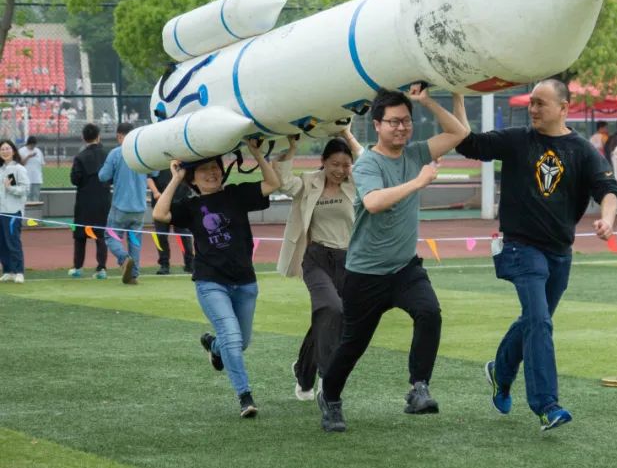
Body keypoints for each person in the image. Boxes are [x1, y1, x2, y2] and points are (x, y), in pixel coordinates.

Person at [455, 78, 617, 431]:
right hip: (520, 248)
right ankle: (547, 406)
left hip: (560, 252)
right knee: (540, 321)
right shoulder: (517, 140)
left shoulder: (582, 150)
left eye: (540, 103)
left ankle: (500, 371)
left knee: (534, 320)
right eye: (531, 102)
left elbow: (608, 189)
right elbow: (468, 142)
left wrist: (607, 219)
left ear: (564, 108)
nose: (532, 109)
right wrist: (455, 96)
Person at [317, 86, 467, 433]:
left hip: (404, 269)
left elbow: (459, 133)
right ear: (377, 125)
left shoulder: (416, 152)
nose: (401, 128)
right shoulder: (368, 163)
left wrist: (430, 101)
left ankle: (418, 387)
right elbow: (373, 203)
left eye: (406, 121)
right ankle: (330, 396)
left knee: (429, 313)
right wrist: (417, 182)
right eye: (393, 122)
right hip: (365, 274)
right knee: (353, 345)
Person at [152, 140, 280, 418]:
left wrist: (256, 152)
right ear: (193, 179)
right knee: (232, 338)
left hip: (245, 282)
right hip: (211, 283)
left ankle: (214, 346)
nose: (211, 173)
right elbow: (159, 214)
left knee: (239, 342)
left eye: (215, 168)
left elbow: (273, 183)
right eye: (204, 170)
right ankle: (245, 396)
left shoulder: (236, 195)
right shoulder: (191, 206)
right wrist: (176, 178)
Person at [273, 128, 364, 401]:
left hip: (349, 260)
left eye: (345, 165)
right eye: (334, 164)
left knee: (330, 318)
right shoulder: (309, 182)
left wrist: (347, 135)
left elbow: (369, 162)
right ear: (323, 161)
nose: (340, 170)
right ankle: (327, 375)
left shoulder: (357, 182)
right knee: (331, 309)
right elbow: (283, 182)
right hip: (316, 258)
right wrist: (291, 149)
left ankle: (303, 371)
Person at [99, 123, 156, 285]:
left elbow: (103, 176)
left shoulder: (116, 153)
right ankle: (133, 275)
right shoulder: (142, 153)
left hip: (120, 206)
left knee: (111, 236)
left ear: (119, 136)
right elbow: (155, 172)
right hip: (139, 207)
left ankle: (124, 258)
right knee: (135, 241)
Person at [70, 124, 111, 278]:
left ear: (83, 137)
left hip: (84, 201)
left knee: (80, 235)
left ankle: (78, 267)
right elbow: (111, 176)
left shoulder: (80, 157)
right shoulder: (107, 155)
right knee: (100, 235)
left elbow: (75, 179)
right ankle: (101, 268)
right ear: (98, 136)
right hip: (103, 199)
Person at [148, 169, 194, 275]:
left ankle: (190, 264)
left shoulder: (182, 162)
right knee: (161, 236)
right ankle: (164, 265)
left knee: (184, 235)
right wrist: (156, 192)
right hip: (161, 204)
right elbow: (148, 177)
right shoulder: (156, 161)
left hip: (181, 202)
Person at [0, 140, 30, 283]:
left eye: (7, 148)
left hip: (13, 212)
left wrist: (10, 188)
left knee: (13, 242)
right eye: (2, 149)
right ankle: (8, 271)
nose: (5, 151)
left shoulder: (19, 169)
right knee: (2, 243)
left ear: (13, 151)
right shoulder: (1, 169)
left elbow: (25, 189)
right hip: (0, 211)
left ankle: (19, 271)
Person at [18, 136, 43, 203]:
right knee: (26, 199)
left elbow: (41, 164)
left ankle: (35, 210)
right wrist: (28, 156)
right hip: (25, 179)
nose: (33, 147)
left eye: (34, 145)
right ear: (28, 144)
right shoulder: (21, 151)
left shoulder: (38, 151)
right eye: (31, 145)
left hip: (36, 179)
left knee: (36, 198)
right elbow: (20, 164)